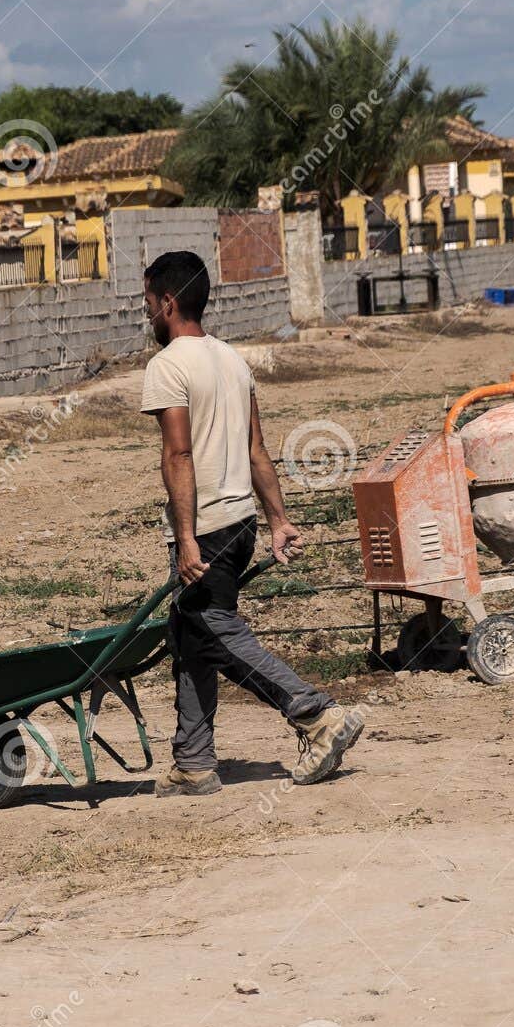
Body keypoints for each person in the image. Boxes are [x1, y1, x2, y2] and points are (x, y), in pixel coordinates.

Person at [140, 249, 364, 797]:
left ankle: (316, 714)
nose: (146, 315)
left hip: (208, 525)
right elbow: (258, 448)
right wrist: (278, 520)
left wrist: (187, 537)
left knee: (211, 627)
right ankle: (193, 762)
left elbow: (178, 456)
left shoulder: (167, 366)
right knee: (190, 635)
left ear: (168, 302)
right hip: (240, 521)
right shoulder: (232, 360)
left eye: (148, 304)